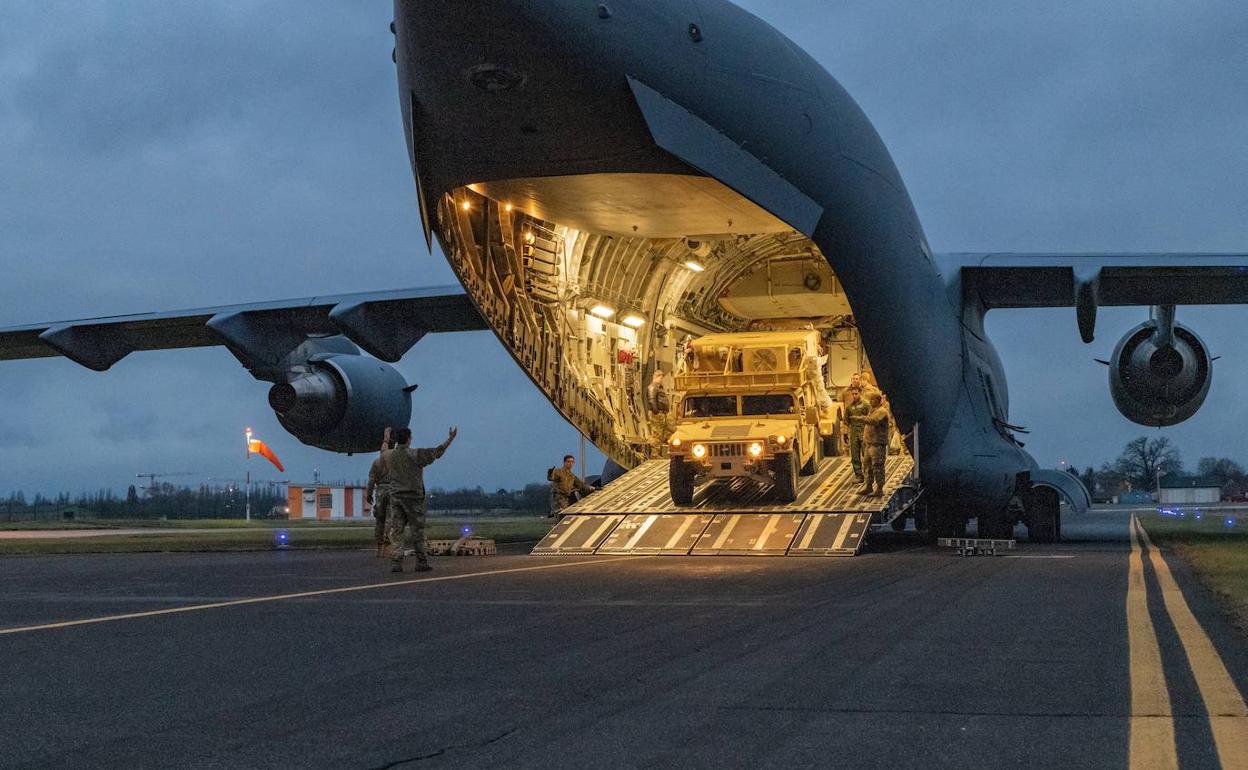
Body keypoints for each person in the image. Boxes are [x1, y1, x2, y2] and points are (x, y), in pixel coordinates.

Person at [385, 426, 457, 573]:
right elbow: (436, 452)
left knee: (397, 532)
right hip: (413, 498)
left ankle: (396, 562)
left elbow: (384, 451)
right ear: (409, 438)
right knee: (417, 531)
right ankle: (421, 562)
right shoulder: (414, 454)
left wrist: (386, 438)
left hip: (396, 498)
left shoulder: (389, 456)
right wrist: (450, 439)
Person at [366, 428, 395, 558]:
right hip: (393, 490)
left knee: (379, 520)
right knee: (390, 519)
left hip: (380, 491)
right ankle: (387, 540)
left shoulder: (376, 462)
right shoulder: (395, 461)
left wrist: (369, 494)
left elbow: (371, 481)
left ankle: (379, 548)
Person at [858, 393, 890, 497]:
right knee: (867, 466)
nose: (870, 402)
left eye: (872, 400)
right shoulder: (872, 411)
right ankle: (868, 486)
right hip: (869, 443)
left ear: (878, 400)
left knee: (877, 466)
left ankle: (879, 488)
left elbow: (874, 421)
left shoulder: (882, 411)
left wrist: (862, 418)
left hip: (877, 444)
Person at [843, 386, 870, 483]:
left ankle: (868, 475)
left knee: (866, 455)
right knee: (854, 455)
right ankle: (859, 475)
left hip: (864, 432)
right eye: (853, 394)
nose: (854, 396)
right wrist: (845, 433)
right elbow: (846, 421)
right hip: (853, 433)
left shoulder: (866, 405)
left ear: (860, 393)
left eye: (856, 394)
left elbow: (871, 419)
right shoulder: (849, 408)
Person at [646, 369, 671, 450]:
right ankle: (654, 453)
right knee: (656, 434)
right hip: (656, 413)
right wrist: (655, 411)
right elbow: (651, 399)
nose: (661, 380)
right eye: (660, 378)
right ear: (656, 377)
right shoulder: (653, 387)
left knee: (662, 433)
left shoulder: (659, 387)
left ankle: (658, 451)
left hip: (662, 413)